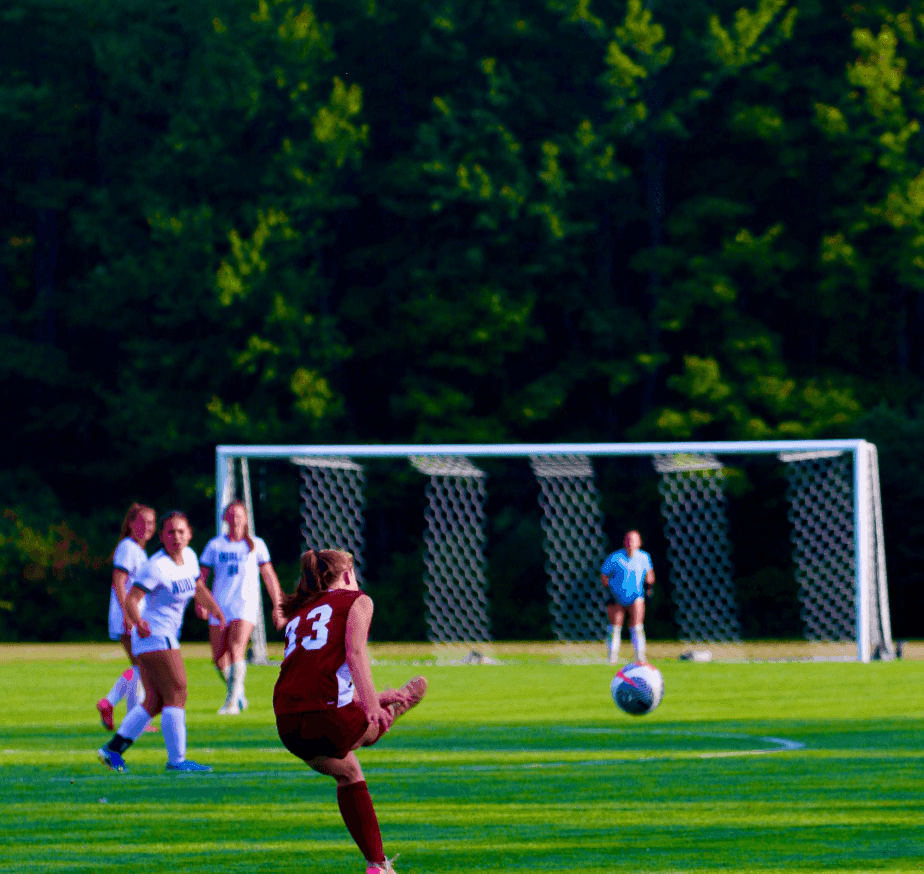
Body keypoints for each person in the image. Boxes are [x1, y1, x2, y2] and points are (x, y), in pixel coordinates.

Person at [273, 548, 427, 874]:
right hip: (326, 718)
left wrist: (373, 696)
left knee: (349, 772)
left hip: (287, 723)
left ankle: (377, 865)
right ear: (346, 575)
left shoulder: (302, 610)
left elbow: (322, 676)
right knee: (364, 731)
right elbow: (355, 654)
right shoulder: (357, 600)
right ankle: (394, 709)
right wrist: (373, 706)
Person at [97, 510, 226, 773]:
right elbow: (132, 598)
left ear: (189, 534)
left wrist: (215, 610)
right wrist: (137, 621)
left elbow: (198, 587)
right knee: (178, 691)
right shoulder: (155, 566)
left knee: (154, 701)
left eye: (181, 531)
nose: (176, 537)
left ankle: (112, 750)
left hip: (161, 637)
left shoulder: (189, 558)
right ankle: (177, 761)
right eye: (170, 532)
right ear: (162, 537)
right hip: (153, 635)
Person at [195, 500, 284, 714]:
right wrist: (201, 601)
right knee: (219, 658)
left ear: (246, 519)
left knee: (237, 648)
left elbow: (269, 575)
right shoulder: (215, 545)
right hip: (219, 605)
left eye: (239, 515)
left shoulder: (256, 545)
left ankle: (232, 702)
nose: (235, 519)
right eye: (231, 515)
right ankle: (238, 692)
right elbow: (201, 577)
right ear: (225, 518)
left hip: (245, 604)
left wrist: (278, 604)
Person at [96, 503, 159, 733]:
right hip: (128, 615)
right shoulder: (128, 548)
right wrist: (127, 614)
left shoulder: (139, 550)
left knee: (140, 667)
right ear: (131, 524)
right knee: (142, 666)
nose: (147, 527)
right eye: (142, 522)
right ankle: (114, 705)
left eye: (151, 523)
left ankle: (127, 715)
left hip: (134, 615)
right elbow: (119, 581)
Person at [600, 529, 655, 665]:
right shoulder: (615, 557)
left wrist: (649, 590)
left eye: (634, 540)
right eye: (629, 540)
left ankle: (640, 657)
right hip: (617, 596)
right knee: (615, 627)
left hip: (636, 596)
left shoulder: (644, 557)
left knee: (637, 626)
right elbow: (604, 575)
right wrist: (609, 591)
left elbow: (649, 575)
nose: (631, 543)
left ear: (639, 542)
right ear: (625, 542)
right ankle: (612, 657)